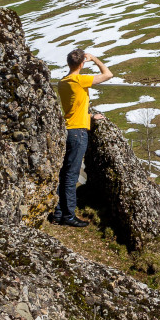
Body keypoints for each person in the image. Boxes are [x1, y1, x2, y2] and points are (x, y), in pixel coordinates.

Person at [52, 48, 112, 226]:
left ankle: (58, 212)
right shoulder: (79, 80)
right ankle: (68, 216)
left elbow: (73, 106)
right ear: (81, 64)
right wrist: (95, 59)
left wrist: (89, 116)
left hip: (68, 128)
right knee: (71, 176)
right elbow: (108, 74)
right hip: (78, 132)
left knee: (64, 174)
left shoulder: (63, 81)